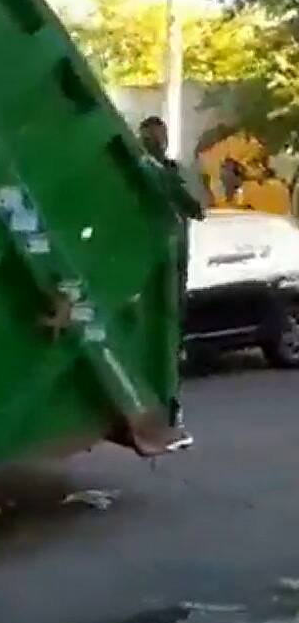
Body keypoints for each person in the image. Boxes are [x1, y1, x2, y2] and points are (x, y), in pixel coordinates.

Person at [138, 116, 204, 448]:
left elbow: (197, 208)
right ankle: (160, 404)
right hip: (151, 263)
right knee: (157, 332)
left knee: (168, 332)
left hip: (171, 265)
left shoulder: (170, 172)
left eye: (158, 137)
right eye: (149, 137)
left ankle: (169, 406)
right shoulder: (142, 171)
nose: (155, 142)